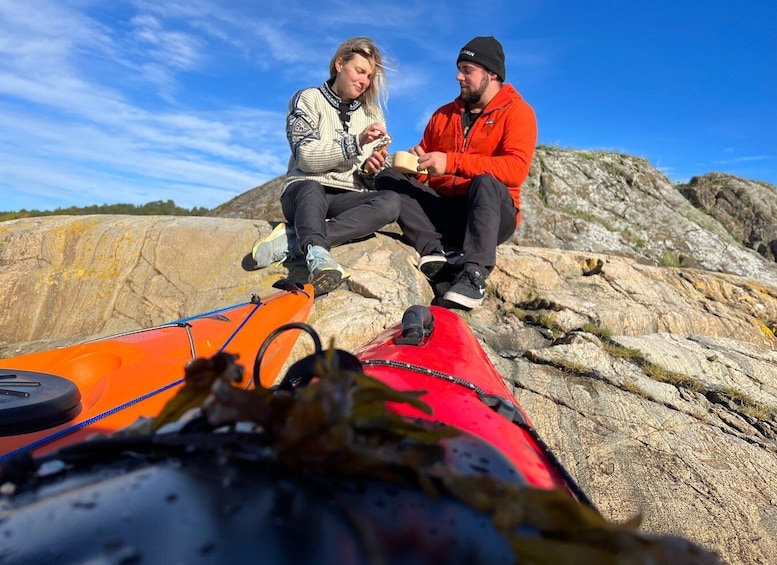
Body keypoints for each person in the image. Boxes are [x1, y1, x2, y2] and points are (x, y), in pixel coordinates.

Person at [376, 36, 537, 309]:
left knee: (486, 182)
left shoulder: (518, 112)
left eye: (467, 70)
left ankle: (474, 273)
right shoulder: (442, 115)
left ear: (492, 74)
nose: (458, 77)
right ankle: (434, 252)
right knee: (388, 177)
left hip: (491, 216)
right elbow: (429, 170)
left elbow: (516, 170)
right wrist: (418, 169)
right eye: (459, 69)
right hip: (446, 213)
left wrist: (452, 162)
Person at [250, 36, 399, 296]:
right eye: (360, 71)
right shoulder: (306, 99)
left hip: (347, 196)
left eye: (369, 76)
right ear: (340, 64)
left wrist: (372, 169)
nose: (364, 81)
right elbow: (306, 158)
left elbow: (369, 172)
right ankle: (319, 259)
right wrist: (356, 141)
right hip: (303, 192)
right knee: (311, 187)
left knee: (391, 202)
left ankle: (297, 240)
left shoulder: (373, 113)